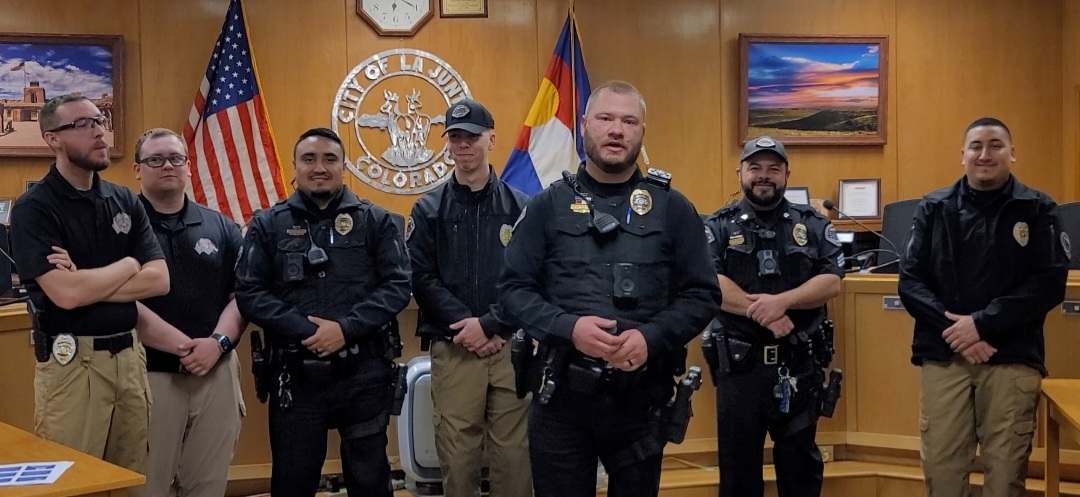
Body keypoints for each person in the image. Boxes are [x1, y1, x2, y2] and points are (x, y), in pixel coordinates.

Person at [499, 80, 721, 497]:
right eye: (605, 118)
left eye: (628, 121)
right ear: (585, 125)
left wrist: (650, 337)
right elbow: (513, 290)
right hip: (561, 400)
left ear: (642, 132)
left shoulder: (674, 209)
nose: (616, 130)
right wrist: (570, 328)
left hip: (641, 402)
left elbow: (703, 295)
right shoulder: (547, 206)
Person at [235, 127, 411, 496]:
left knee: (370, 479)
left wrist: (345, 329)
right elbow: (250, 292)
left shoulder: (376, 221)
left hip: (364, 373)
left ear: (344, 166)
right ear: (294, 166)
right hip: (295, 376)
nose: (319, 167)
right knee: (293, 481)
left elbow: (397, 286)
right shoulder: (268, 224)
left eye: (330, 159)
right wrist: (307, 331)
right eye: (309, 159)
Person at [898, 117, 1069, 497]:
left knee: (1006, 476)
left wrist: (982, 325)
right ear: (963, 155)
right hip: (945, 356)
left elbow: (1049, 283)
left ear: (1012, 153)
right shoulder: (933, 207)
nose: (985, 154)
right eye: (976, 146)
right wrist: (961, 333)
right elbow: (910, 282)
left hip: (1010, 357)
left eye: (995, 145)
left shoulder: (1038, 209)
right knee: (942, 472)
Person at [9, 93, 170, 477]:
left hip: (129, 359)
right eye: (82, 125)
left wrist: (84, 278)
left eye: (100, 121)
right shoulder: (35, 207)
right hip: (72, 365)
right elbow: (66, 295)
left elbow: (160, 279)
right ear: (52, 139)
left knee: (129, 479)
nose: (99, 132)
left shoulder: (123, 198)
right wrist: (130, 264)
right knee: (73, 478)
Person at [702, 136, 844, 497]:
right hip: (740, 371)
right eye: (755, 168)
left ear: (786, 175)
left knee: (800, 473)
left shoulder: (812, 224)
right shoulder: (718, 225)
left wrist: (783, 302)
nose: (764, 175)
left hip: (798, 365)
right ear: (739, 173)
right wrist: (765, 313)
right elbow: (710, 282)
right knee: (738, 477)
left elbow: (832, 281)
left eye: (773, 169)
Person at [407, 98, 532, 497]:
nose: (463, 145)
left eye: (472, 137)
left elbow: (529, 278)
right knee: (458, 457)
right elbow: (420, 277)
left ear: (491, 139)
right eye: (456, 137)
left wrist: (491, 325)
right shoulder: (428, 209)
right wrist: (469, 327)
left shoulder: (522, 207)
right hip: (455, 345)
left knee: (514, 457)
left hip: (510, 345)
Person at [129, 127, 247, 497]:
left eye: (175, 158)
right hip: (149, 373)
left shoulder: (221, 225)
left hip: (216, 371)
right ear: (137, 169)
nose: (167, 165)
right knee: (147, 486)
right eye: (155, 159)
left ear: (188, 165)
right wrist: (179, 345)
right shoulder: (121, 226)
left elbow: (242, 296)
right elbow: (117, 299)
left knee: (208, 485)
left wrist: (218, 343)